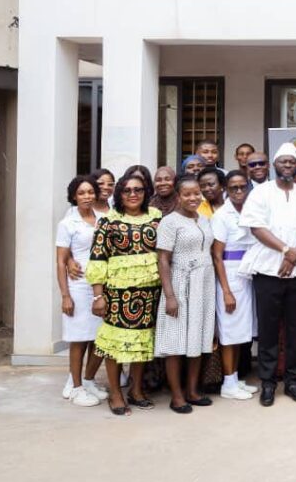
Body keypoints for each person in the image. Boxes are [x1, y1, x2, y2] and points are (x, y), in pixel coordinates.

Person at [239, 142, 296, 407]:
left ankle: (292, 380)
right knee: (268, 328)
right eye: (283, 161)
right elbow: (256, 227)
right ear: (274, 165)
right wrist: (287, 251)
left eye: (291, 161)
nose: (287, 165)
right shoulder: (261, 192)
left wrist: (295, 255)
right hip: (267, 269)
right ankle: (267, 382)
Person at [86, 173, 162, 416]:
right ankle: (116, 393)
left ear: (146, 192)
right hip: (118, 293)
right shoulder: (108, 221)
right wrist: (98, 296)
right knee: (115, 343)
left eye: (138, 189)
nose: (133, 194)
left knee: (142, 340)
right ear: (119, 194)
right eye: (127, 190)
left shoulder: (156, 217)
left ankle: (136, 390)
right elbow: (98, 257)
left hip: (150, 291)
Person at [154, 175, 217, 414]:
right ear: (178, 196)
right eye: (187, 194)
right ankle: (177, 396)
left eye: (196, 193)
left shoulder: (204, 219)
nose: (193, 198)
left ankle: (192, 391)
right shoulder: (170, 222)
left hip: (203, 285)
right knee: (176, 340)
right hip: (180, 284)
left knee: (197, 338)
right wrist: (170, 296)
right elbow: (163, 259)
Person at [56, 175, 106, 407]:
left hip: (102, 285)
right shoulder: (68, 223)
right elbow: (61, 261)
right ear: (74, 197)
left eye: (90, 192)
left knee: (99, 338)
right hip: (78, 286)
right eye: (81, 193)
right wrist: (65, 295)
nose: (87, 196)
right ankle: (75, 388)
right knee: (79, 339)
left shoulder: (103, 219)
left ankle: (88, 381)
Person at [211, 170, 259, 401]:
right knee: (230, 331)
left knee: (242, 331)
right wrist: (226, 291)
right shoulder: (222, 215)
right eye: (233, 188)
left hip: (248, 273)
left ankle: (234, 377)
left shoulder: (252, 210)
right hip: (230, 275)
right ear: (226, 190)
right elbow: (217, 256)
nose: (239, 191)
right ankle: (228, 383)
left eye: (242, 187)